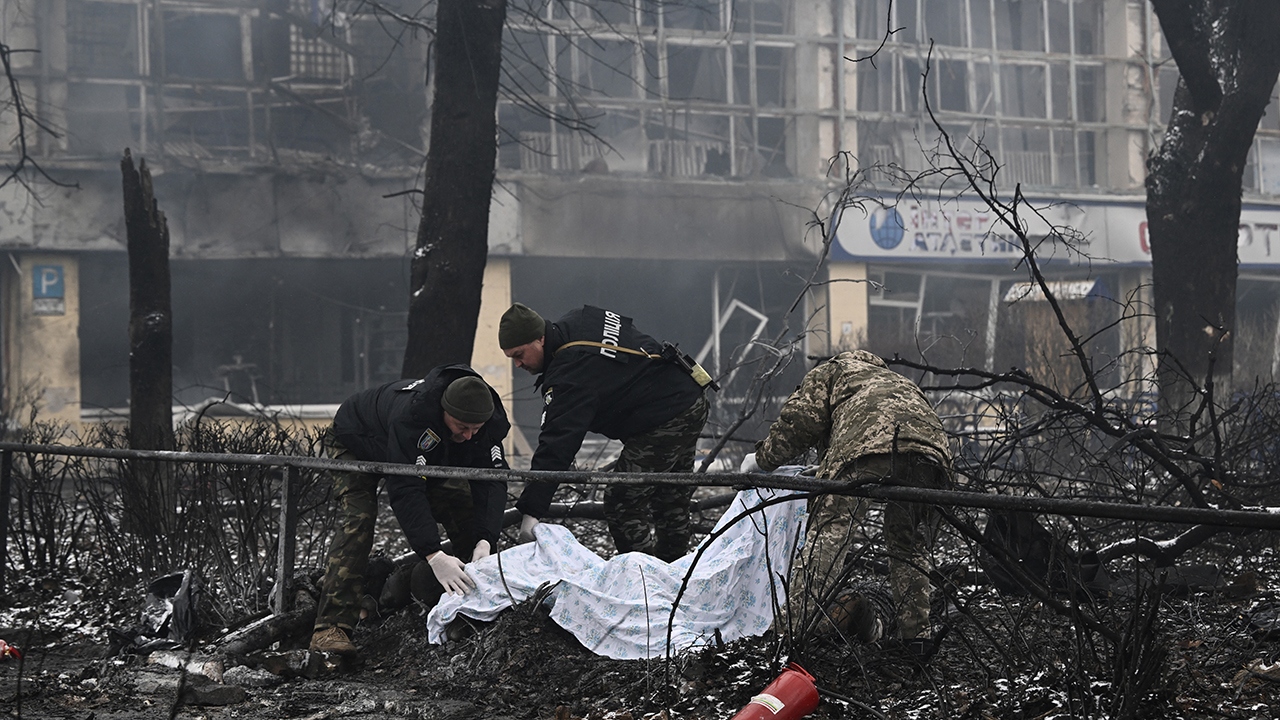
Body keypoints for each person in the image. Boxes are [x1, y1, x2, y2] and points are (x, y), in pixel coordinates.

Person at [741, 349, 952, 643]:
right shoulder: (896, 380)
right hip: (930, 455)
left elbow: (800, 423)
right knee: (908, 544)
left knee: (829, 531)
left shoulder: (835, 370)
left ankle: (790, 632)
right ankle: (916, 636)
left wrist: (761, 460)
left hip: (867, 446)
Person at [309, 364, 510, 656]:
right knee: (359, 521)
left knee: (462, 506)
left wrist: (486, 540)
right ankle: (330, 628)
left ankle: (478, 606)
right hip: (356, 439)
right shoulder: (412, 417)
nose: (468, 436)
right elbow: (405, 489)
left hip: (421, 455)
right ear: (444, 412)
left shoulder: (485, 425)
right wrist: (433, 553)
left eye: (474, 430)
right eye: (461, 428)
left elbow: (491, 484)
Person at [499, 302, 711, 562]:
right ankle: (676, 574)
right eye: (511, 358)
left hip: (666, 417)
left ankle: (646, 579)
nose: (518, 364)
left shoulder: (569, 371)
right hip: (689, 394)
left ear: (540, 339)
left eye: (519, 354)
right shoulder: (578, 321)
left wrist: (531, 512)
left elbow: (557, 444)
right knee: (670, 496)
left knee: (623, 501)